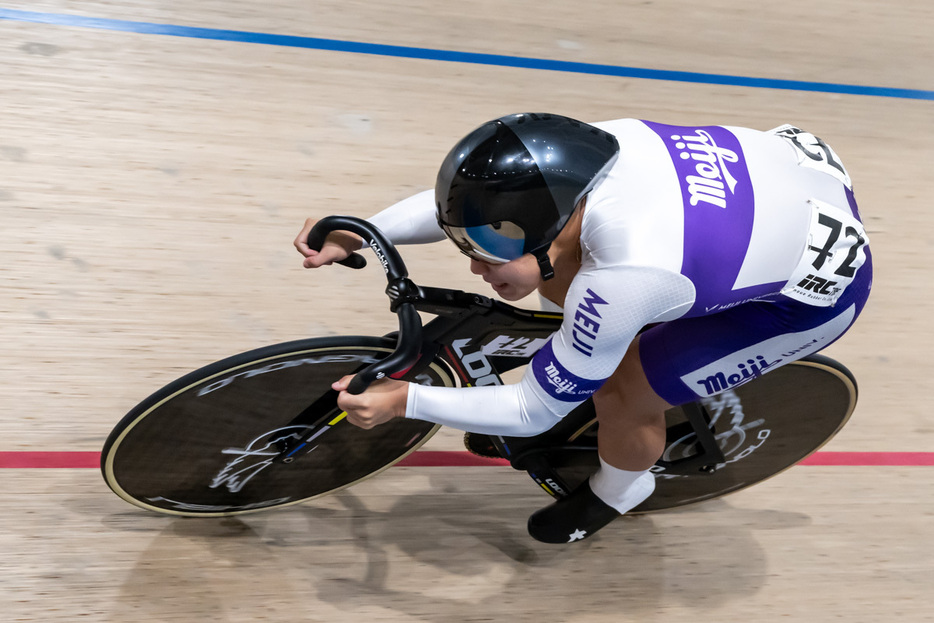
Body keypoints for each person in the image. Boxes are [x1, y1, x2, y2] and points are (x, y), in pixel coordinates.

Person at [294, 113, 872, 544]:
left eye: (493, 249)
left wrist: (406, 402)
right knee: (565, 297)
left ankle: (621, 491)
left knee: (623, 390)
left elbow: (530, 412)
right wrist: (365, 231)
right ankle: (584, 360)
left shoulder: (625, 274)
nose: (475, 265)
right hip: (768, 199)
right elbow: (475, 202)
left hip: (803, 301)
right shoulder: (582, 155)